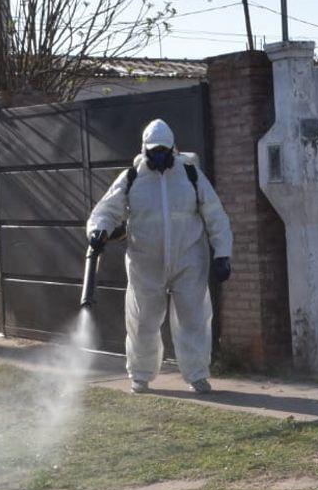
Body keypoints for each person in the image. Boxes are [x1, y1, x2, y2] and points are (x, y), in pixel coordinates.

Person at [86, 119, 233, 395]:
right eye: (154, 151)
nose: (159, 156)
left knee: (194, 319)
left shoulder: (190, 175)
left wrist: (223, 253)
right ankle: (141, 375)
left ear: (173, 149)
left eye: (164, 150)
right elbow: (106, 210)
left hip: (188, 260)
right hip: (146, 264)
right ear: (144, 150)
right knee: (143, 321)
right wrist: (97, 230)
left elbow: (215, 215)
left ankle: (197, 375)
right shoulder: (132, 178)